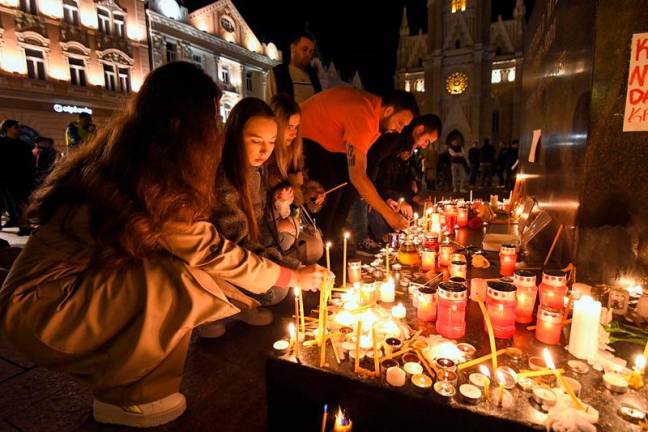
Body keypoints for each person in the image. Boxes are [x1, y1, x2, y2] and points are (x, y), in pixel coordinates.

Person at [0, 62, 326, 428]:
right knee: (178, 279)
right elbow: (209, 249)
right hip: (45, 311)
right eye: (211, 118)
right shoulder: (153, 176)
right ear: (186, 124)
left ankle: (133, 383)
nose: (215, 130)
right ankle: (130, 397)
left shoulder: (134, 153)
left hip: (50, 298)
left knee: (177, 272)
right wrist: (289, 277)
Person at [209, 97, 308, 332]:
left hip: (248, 249)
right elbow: (237, 246)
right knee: (278, 289)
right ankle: (223, 306)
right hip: (223, 262)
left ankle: (239, 302)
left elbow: (260, 219)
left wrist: (278, 206)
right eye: (256, 141)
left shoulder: (255, 169)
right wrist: (294, 272)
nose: (266, 151)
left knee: (291, 244)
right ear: (234, 136)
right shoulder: (225, 177)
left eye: (272, 142)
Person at [300, 87, 419, 241]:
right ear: (389, 111)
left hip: (326, 143)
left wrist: (381, 199)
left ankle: (333, 242)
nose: (399, 129)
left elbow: (363, 169)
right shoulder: (365, 114)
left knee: (349, 189)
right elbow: (358, 175)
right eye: (400, 123)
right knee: (330, 191)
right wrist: (389, 215)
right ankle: (318, 246)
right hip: (303, 135)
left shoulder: (375, 114)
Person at [351, 114, 441, 254]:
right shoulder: (396, 140)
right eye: (427, 141)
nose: (425, 145)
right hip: (367, 178)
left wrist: (410, 195)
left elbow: (402, 177)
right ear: (420, 129)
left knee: (393, 213)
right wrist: (376, 192)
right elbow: (378, 164)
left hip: (383, 188)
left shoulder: (408, 147)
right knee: (367, 200)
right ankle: (364, 238)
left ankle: (385, 239)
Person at [268, 94, 324, 264]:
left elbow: (300, 191)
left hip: (292, 218)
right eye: (289, 127)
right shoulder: (266, 156)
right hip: (273, 224)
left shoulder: (294, 155)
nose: (293, 133)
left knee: (316, 247)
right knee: (308, 247)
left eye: (296, 127)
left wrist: (312, 194)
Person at [265, 31, 322, 103]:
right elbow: (270, 106)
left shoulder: (314, 76)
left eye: (311, 51)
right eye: (304, 49)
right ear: (293, 48)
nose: (308, 55)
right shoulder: (277, 74)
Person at [0, 119, 35, 235]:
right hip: (4, 178)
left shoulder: (23, 145)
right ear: (7, 128)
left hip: (19, 179)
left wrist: (30, 177)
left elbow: (30, 163)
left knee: (22, 204)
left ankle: (24, 226)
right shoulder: (2, 143)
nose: (19, 129)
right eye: (16, 127)